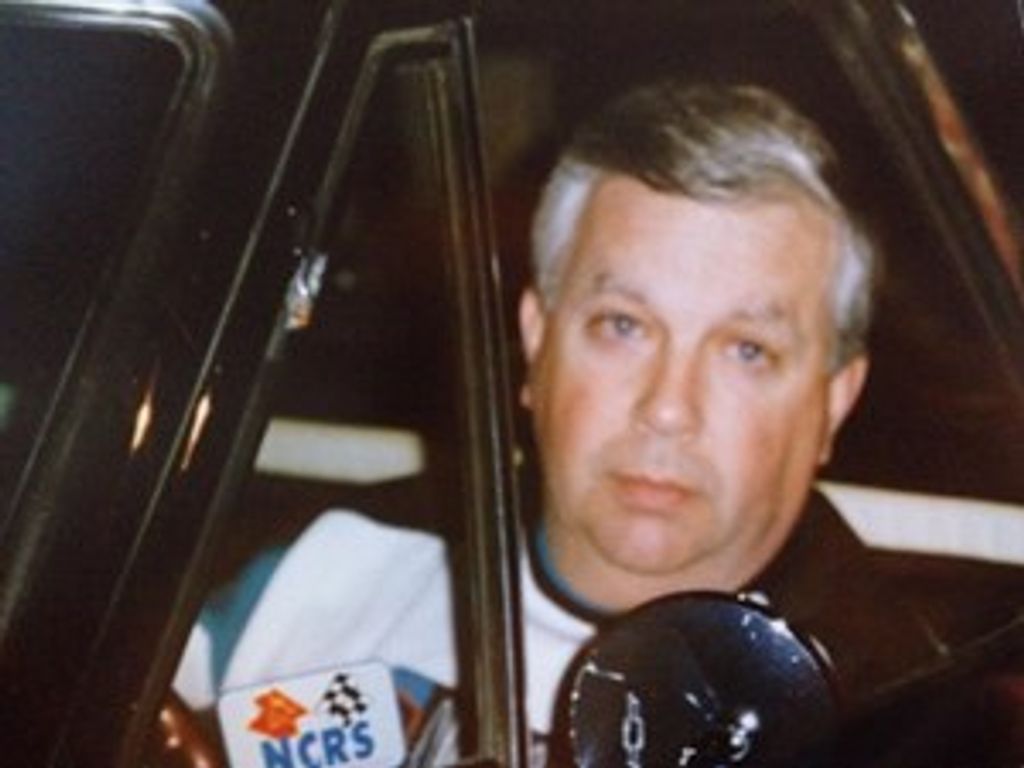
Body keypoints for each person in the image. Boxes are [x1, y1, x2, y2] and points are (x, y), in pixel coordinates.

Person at [171, 80, 1016, 766]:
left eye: (747, 350)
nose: (668, 408)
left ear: (834, 400)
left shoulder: (910, 720)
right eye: (623, 326)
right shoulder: (325, 570)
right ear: (535, 342)